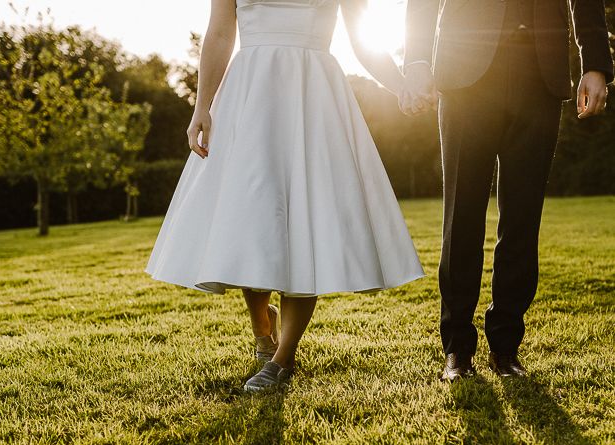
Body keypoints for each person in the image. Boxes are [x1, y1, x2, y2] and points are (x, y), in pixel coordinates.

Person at [145, 0, 425, 392]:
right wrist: (201, 106)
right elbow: (221, 32)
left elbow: (363, 36)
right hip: (250, 93)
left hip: (314, 95)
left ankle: (283, 357)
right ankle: (263, 327)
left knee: (304, 220)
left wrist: (400, 87)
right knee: (249, 215)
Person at [402, 0, 613, 381]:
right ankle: (457, 349)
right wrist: (416, 59)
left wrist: (595, 62)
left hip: (540, 72)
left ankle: (506, 347)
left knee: (522, 220)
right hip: (466, 70)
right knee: (462, 216)